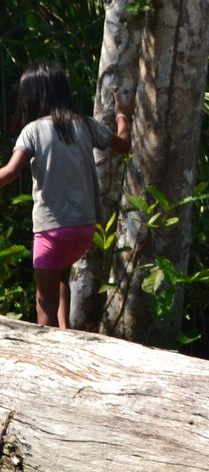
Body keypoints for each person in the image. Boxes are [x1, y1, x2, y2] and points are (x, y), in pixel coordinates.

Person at [0, 64, 130, 329]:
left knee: (44, 300)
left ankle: (46, 356)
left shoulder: (33, 130)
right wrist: (122, 116)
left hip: (52, 231)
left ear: (32, 97)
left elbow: (11, 172)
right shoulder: (84, 123)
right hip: (83, 229)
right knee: (61, 279)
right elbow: (124, 145)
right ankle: (64, 331)